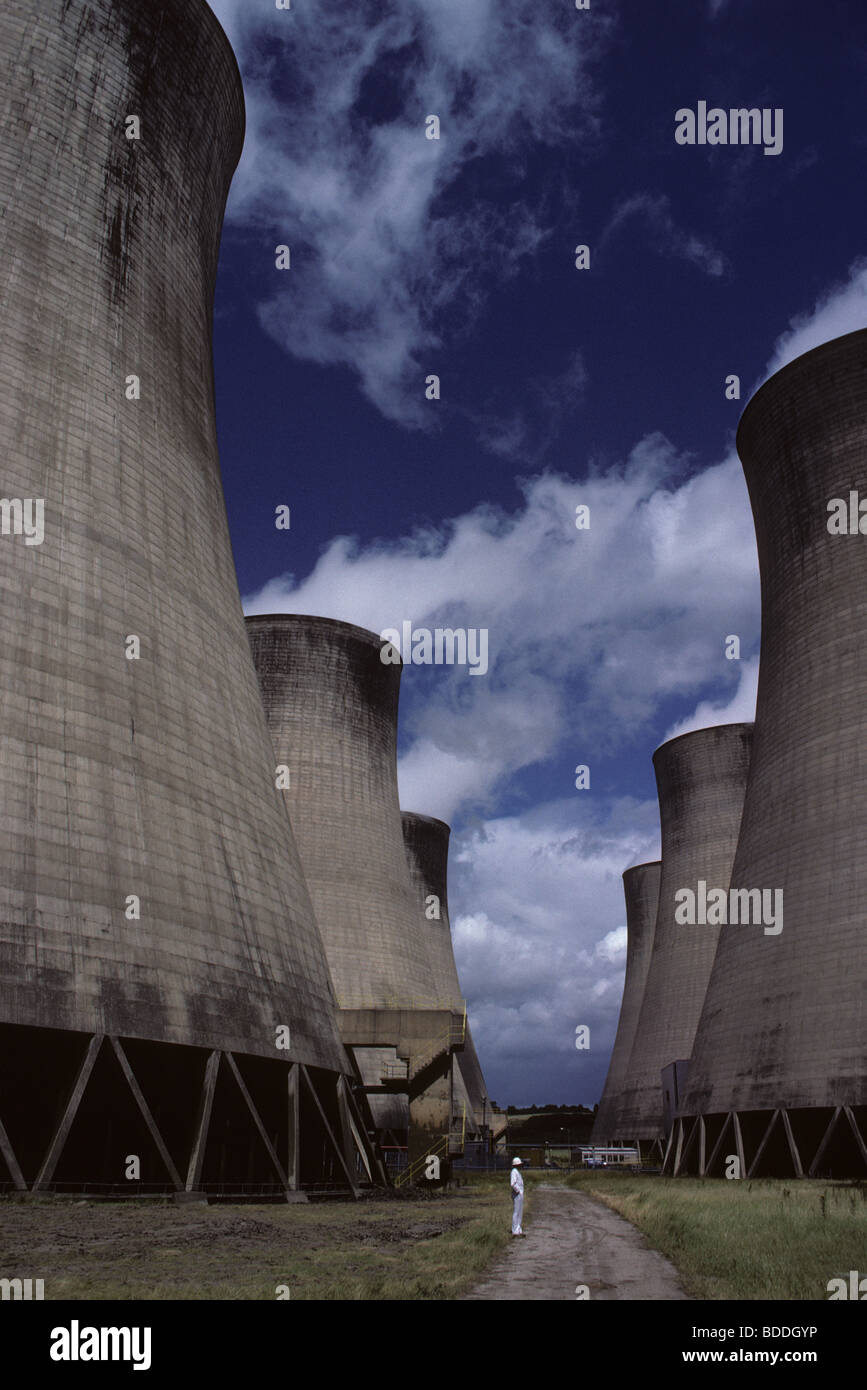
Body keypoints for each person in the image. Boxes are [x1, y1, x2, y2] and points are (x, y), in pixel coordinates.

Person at [510, 1156, 525, 1235]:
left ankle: (518, 1229)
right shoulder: (514, 1171)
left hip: (520, 1194)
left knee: (520, 1212)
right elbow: (513, 1183)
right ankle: (514, 1230)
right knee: (516, 1212)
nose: (520, 1165)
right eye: (519, 1164)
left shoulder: (517, 1171)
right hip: (517, 1194)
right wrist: (518, 1191)